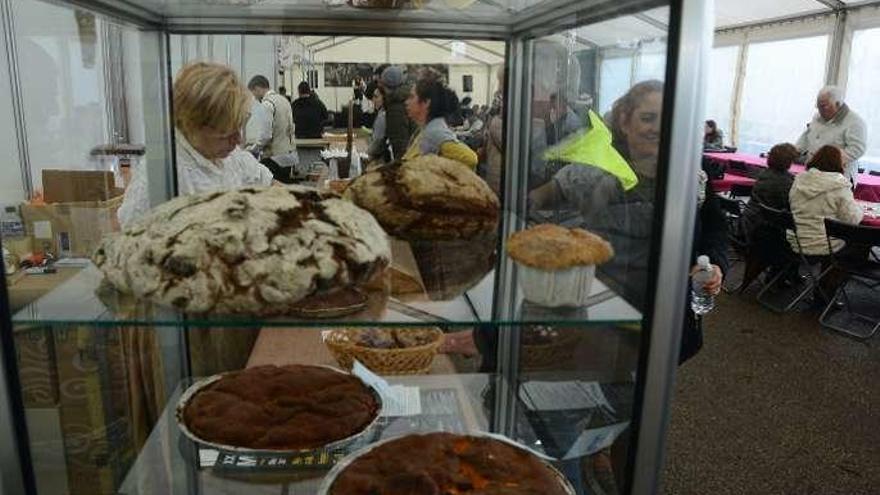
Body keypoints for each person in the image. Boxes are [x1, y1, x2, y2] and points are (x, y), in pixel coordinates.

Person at [528, 80, 727, 362]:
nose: (658, 128)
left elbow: (715, 226)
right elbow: (537, 199)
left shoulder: (691, 170)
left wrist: (716, 263)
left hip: (666, 315)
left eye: (668, 119)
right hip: (604, 311)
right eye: (647, 118)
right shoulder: (597, 166)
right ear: (624, 121)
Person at [118, 62, 274, 228]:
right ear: (193, 125)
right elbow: (133, 239)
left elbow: (270, 185)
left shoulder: (232, 156)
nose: (238, 140)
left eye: (239, 128)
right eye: (225, 134)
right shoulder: (162, 176)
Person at [788, 145, 864, 256]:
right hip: (823, 244)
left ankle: (812, 272)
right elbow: (852, 219)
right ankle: (834, 272)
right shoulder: (839, 186)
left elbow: (791, 203)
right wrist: (860, 209)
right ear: (839, 163)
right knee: (859, 242)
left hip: (795, 240)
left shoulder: (799, 180)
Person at [402, 69, 478, 169]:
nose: (406, 102)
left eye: (412, 97)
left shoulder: (435, 133)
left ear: (426, 103)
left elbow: (470, 159)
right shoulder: (426, 130)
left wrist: (439, 177)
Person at [796, 86, 867, 185]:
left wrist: (830, 162)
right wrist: (795, 150)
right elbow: (806, 136)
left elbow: (857, 149)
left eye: (823, 106)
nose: (820, 110)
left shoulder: (855, 122)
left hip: (838, 178)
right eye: (818, 106)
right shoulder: (817, 117)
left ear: (837, 104)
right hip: (813, 173)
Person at [736, 142, 799, 243]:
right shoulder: (787, 182)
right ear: (788, 162)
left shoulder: (763, 174)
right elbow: (791, 207)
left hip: (748, 224)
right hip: (765, 232)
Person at [247, 75, 295, 158]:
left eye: (254, 94)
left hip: (274, 156)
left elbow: (266, 136)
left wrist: (253, 149)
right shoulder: (284, 100)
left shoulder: (267, 104)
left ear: (257, 88)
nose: (255, 98)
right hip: (289, 153)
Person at [379, 66, 414, 162]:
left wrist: (400, 166)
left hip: (407, 160)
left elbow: (400, 142)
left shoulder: (396, 106)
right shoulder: (406, 98)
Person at [367, 85, 388, 162]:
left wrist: (368, 153)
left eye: (376, 97)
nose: (373, 100)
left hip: (380, 159)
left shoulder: (382, 116)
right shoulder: (383, 113)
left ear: (384, 98)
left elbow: (377, 141)